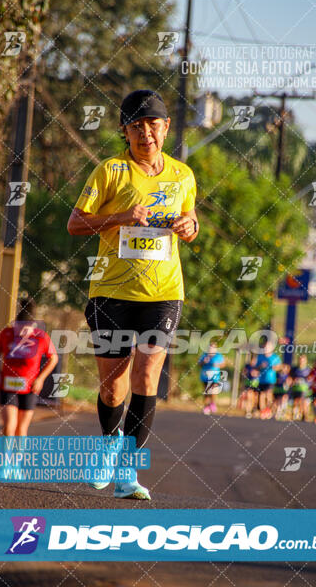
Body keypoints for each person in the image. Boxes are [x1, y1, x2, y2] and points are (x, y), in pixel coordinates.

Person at [67, 90, 199, 500]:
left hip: (163, 291)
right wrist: (120, 218)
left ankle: (129, 470)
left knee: (147, 374)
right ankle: (109, 442)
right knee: (112, 385)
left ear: (166, 128)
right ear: (125, 131)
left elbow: (191, 218)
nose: (146, 134)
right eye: (136, 127)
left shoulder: (183, 175)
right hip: (111, 290)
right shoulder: (111, 172)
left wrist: (189, 226)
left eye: (153, 126)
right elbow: (75, 223)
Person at [0, 298, 58, 437]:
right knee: (10, 426)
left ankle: (17, 459)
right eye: (19, 327)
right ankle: (6, 459)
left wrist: (41, 379)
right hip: (8, 386)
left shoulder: (41, 337)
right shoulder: (7, 333)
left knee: (21, 430)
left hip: (30, 387)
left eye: (26, 328)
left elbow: (53, 358)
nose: (22, 332)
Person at [198, 342, 226, 415]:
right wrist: (203, 362)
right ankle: (206, 406)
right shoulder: (204, 355)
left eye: (213, 348)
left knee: (213, 391)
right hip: (205, 376)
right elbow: (199, 364)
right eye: (210, 348)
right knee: (206, 392)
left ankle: (212, 403)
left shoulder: (218, 356)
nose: (211, 349)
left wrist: (218, 365)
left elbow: (224, 364)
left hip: (214, 377)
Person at [256, 341, 281, 419]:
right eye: (265, 347)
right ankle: (263, 411)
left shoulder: (275, 357)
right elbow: (257, 367)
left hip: (271, 380)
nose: (266, 349)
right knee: (261, 395)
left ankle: (269, 409)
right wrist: (260, 366)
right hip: (262, 380)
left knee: (268, 394)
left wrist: (274, 367)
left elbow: (280, 367)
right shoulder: (260, 357)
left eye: (268, 347)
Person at [290, 354, 311, 421]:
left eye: (303, 360)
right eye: (300, 359)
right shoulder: (294, 369)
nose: (301, 361)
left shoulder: (308, 370)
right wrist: (294, 380)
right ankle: (295, 415)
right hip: (295, 388)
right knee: (295, 402)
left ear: (306, 361)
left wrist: (306, 380)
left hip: (304, 389)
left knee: (303, 401)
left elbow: (310, 379)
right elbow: (290, 378)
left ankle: (304, 416)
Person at [241, 354, 260, 418]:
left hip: (256, 384)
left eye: (255, 360)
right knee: (249, 397)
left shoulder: (258, 366)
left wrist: (256, 374)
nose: (254, 362)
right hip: (248, 383)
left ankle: (254, 409)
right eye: (253, 360)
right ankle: (248, 411)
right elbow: (244, 372)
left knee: (254, 398)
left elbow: (259, 374)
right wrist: (246, 372)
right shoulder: (247, 366)